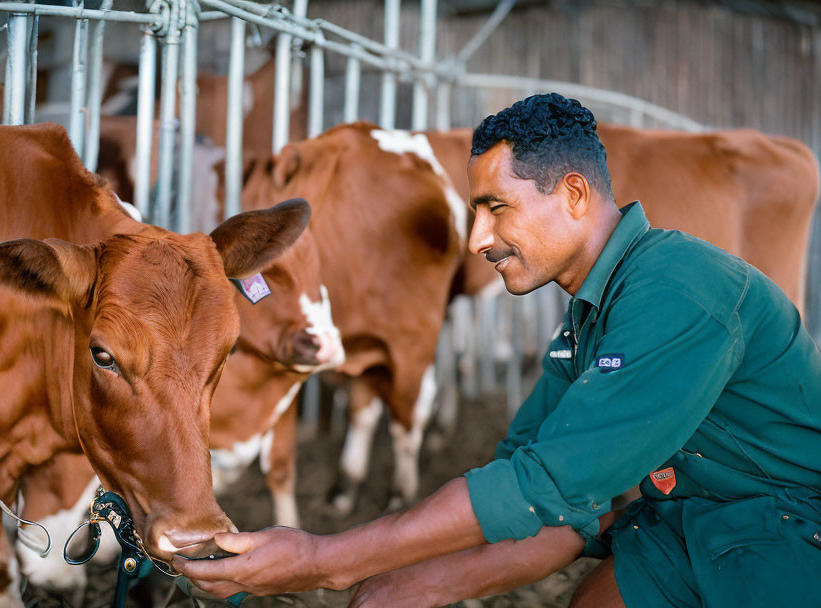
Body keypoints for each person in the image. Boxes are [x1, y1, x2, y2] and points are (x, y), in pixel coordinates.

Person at [175, 93, 821, 607]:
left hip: (786, 531)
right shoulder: (591, 317)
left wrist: (326, 561)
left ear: (572, 194)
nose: (477, 238)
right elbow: (551, 506)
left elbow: (544, 487)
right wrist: (409, 584)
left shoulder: (679, 288)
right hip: (680, 526)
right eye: (473, 211)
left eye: (496, 208)